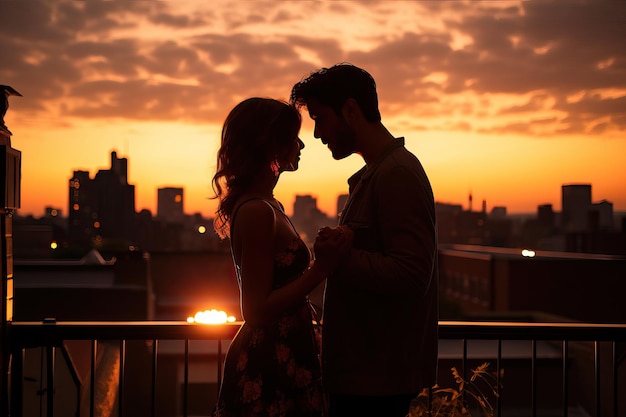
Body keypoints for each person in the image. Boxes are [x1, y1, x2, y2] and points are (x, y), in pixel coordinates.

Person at [290, 64, 439, 417]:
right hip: (365, 378)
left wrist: (337, 257)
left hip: (376, 383)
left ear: (351, 110)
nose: (317, 134)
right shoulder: (381, 174)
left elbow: (412, 273)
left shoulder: (397, 174)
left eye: (320, 118)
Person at [211, 97, 351, 417]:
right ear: (270, 144)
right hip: (268, 361)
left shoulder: (269, 205)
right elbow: (255, 309)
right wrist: (322, 268)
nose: (301, 144)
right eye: (292, 137)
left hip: (286, 352)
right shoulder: (258, 211)